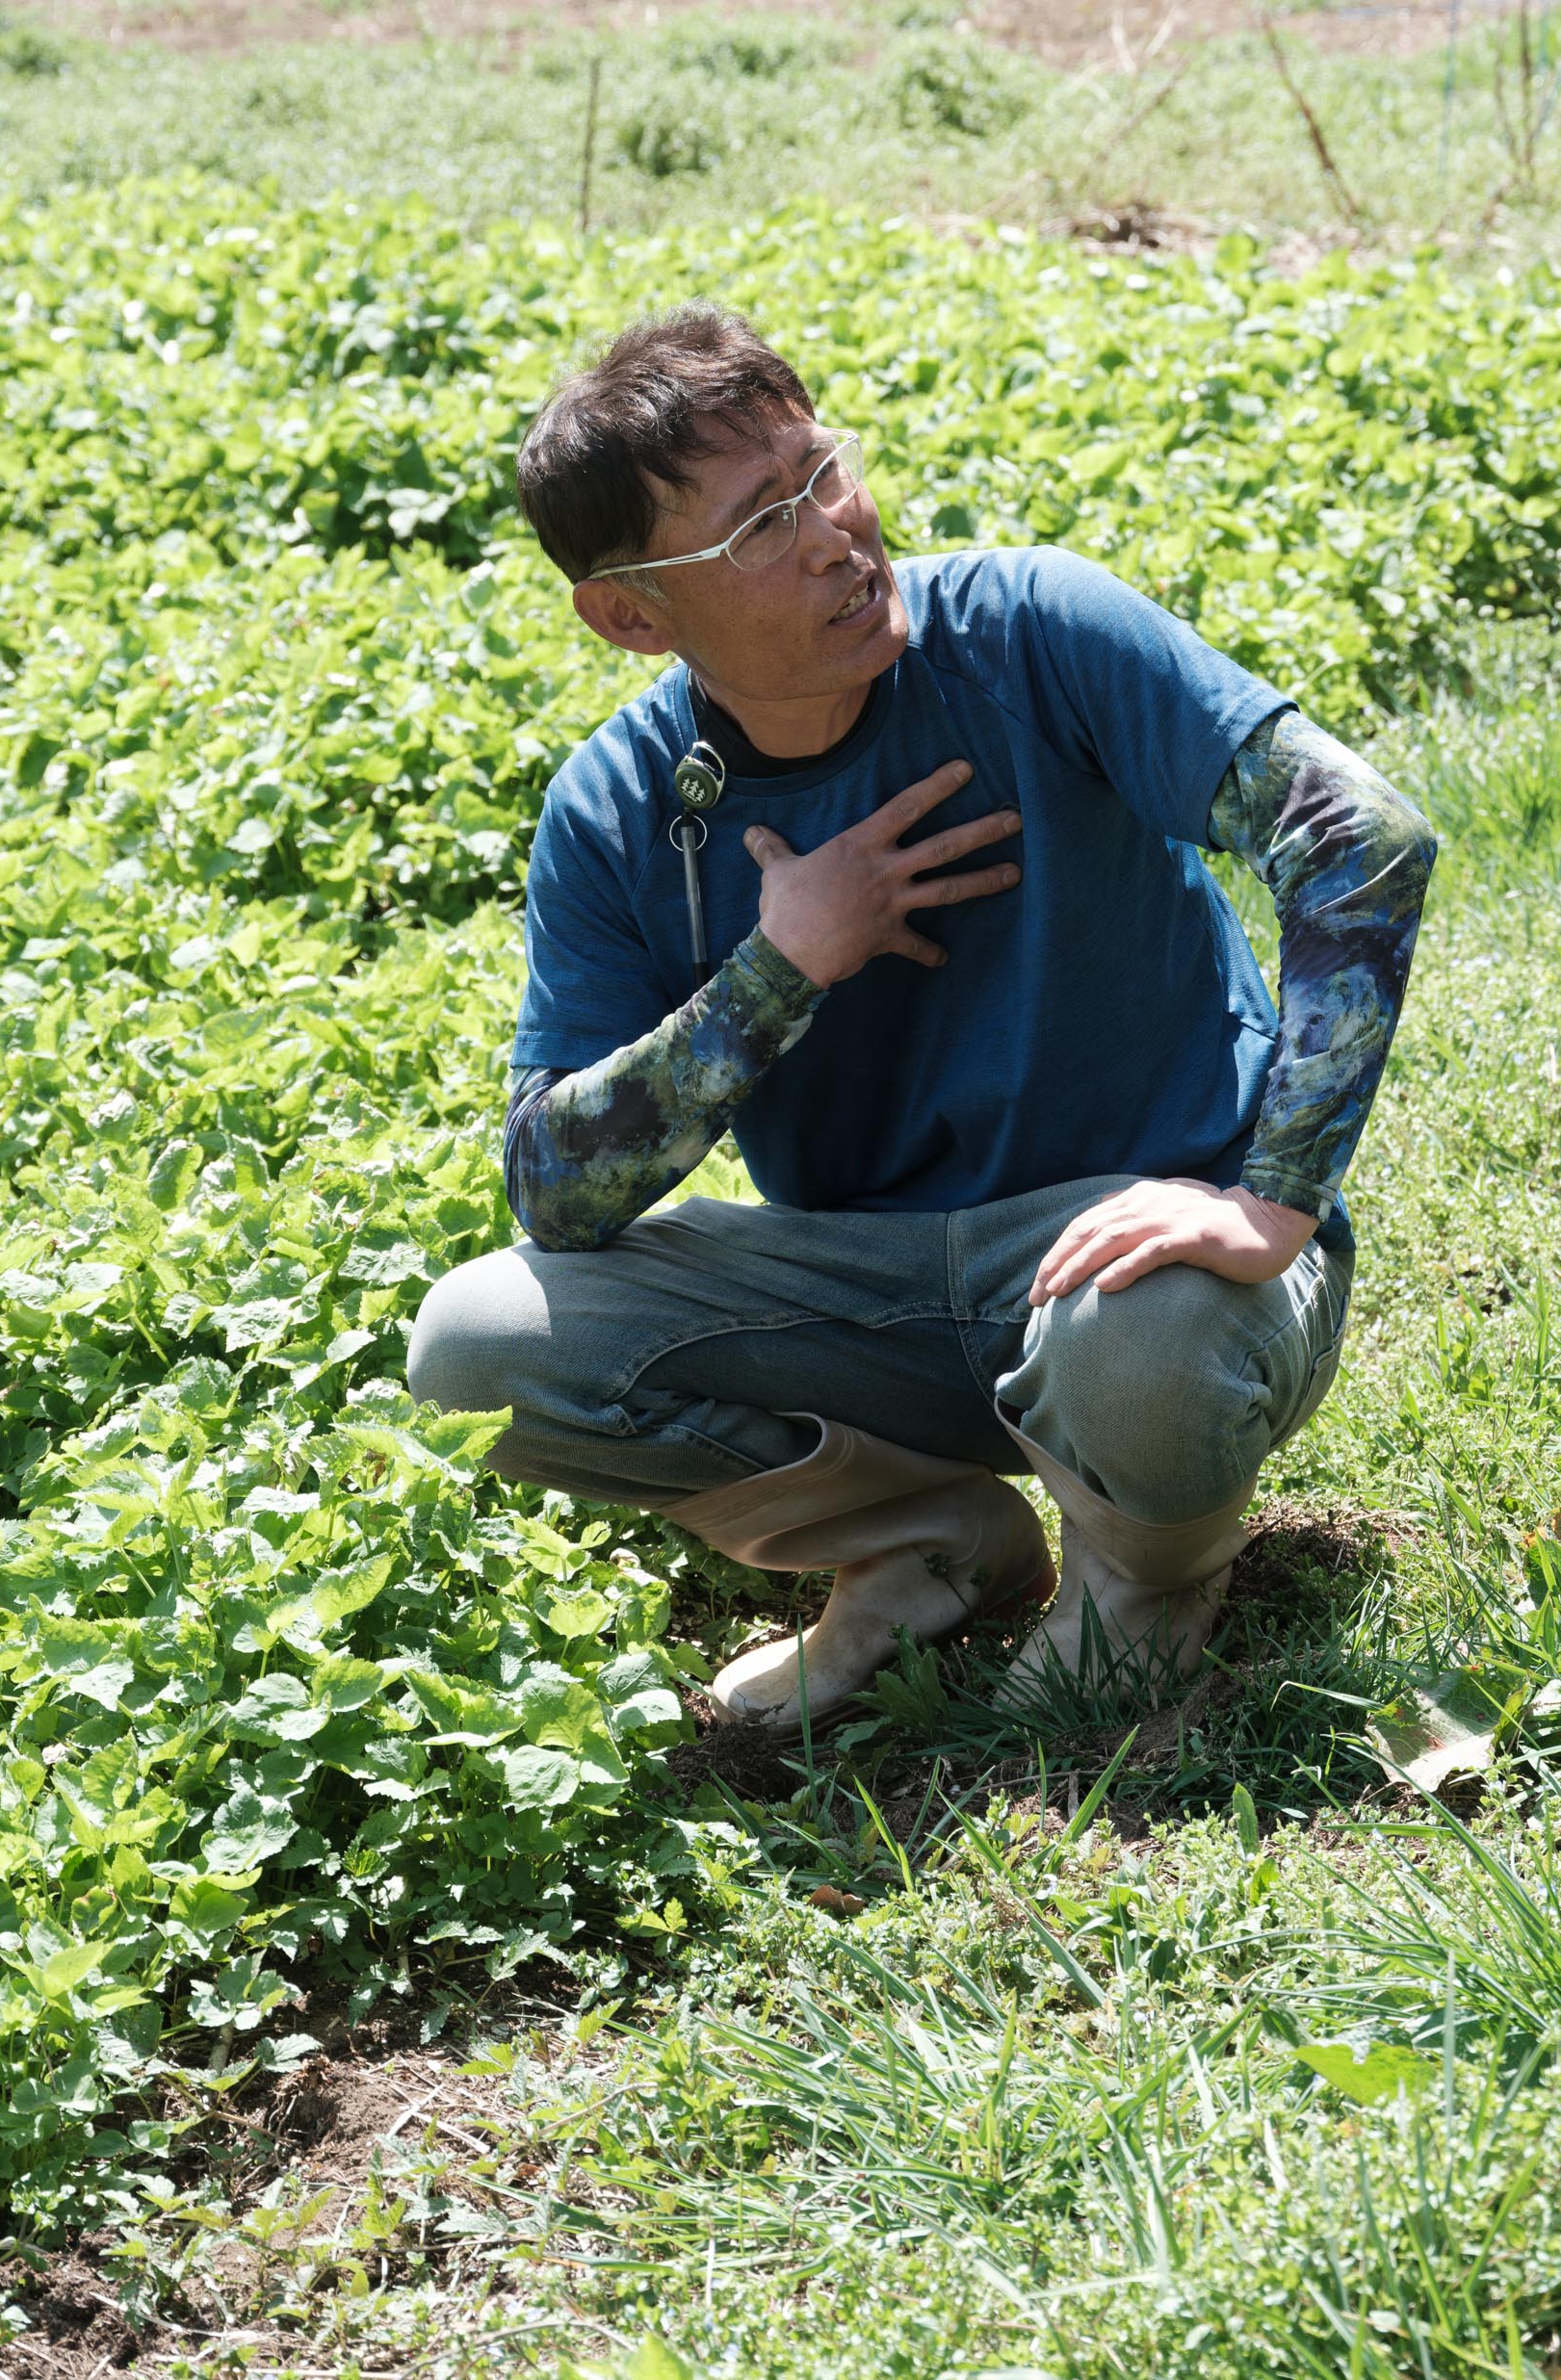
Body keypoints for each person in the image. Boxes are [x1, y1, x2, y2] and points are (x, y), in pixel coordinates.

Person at [406, 302, 1436, 1727]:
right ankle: (928, 1544)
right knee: (479, 1346)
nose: (837, 532)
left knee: (1138, 1344)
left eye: (823, 470)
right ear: (632, 613)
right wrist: (783, 970)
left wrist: (1269, 1204)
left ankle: (1141, 1595)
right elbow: (554, 1193)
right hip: (873, 1286)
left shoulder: (1028, 634)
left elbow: (1361, 835)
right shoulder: (621, 808)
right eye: (760, 526)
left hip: (1152, 1263)